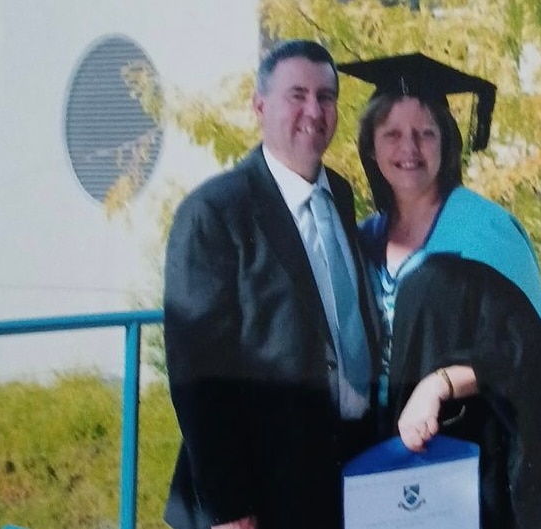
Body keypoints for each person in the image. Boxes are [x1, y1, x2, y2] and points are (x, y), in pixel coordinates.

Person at [338, 53, 541, 528]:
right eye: (392, 133)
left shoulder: (486, 232)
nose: (409, 148)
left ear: (446, 144)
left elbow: (523, 357)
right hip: (378, 467)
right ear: (370, 147)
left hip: (469, 466)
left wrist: (439, 384)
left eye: (425, 133)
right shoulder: (361, 240)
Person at [162, 39, 378, 529]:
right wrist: (229, 507)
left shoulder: (339, 195)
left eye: (326, 97)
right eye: (296, 94)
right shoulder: (215, 212)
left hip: (339, 476)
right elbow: (198, 377)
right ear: (260, 107)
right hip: (257, 494)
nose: (313, 110)